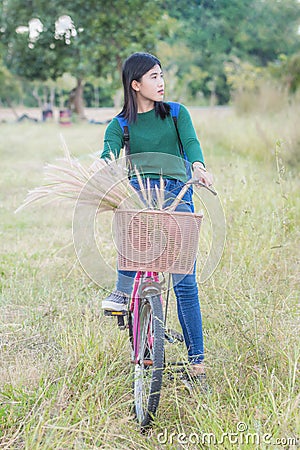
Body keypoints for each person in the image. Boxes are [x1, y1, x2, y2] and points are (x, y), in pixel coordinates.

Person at [100, 52, 213, 384]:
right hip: (139, 196)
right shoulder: (119, 125)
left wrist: (199, 167)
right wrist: (101, 170)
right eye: (153, 77)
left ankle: (197, 366)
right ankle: (124, 295)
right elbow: (107, 154)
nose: (161, 82)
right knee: (133, 250)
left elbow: (191, 144)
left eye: (161, 75)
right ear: (135, 85)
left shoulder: (177, 114)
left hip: (178, 193)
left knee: (185, 282)